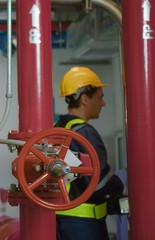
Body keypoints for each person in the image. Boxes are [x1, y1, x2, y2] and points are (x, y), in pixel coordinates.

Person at [54, 67, 124, 240]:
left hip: (63, 221)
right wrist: (120, 187)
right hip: (83, 224)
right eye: (100, 97)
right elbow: (100, 182)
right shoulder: (84, 132)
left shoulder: (59, 128)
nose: (103, 103)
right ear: (84, 99)